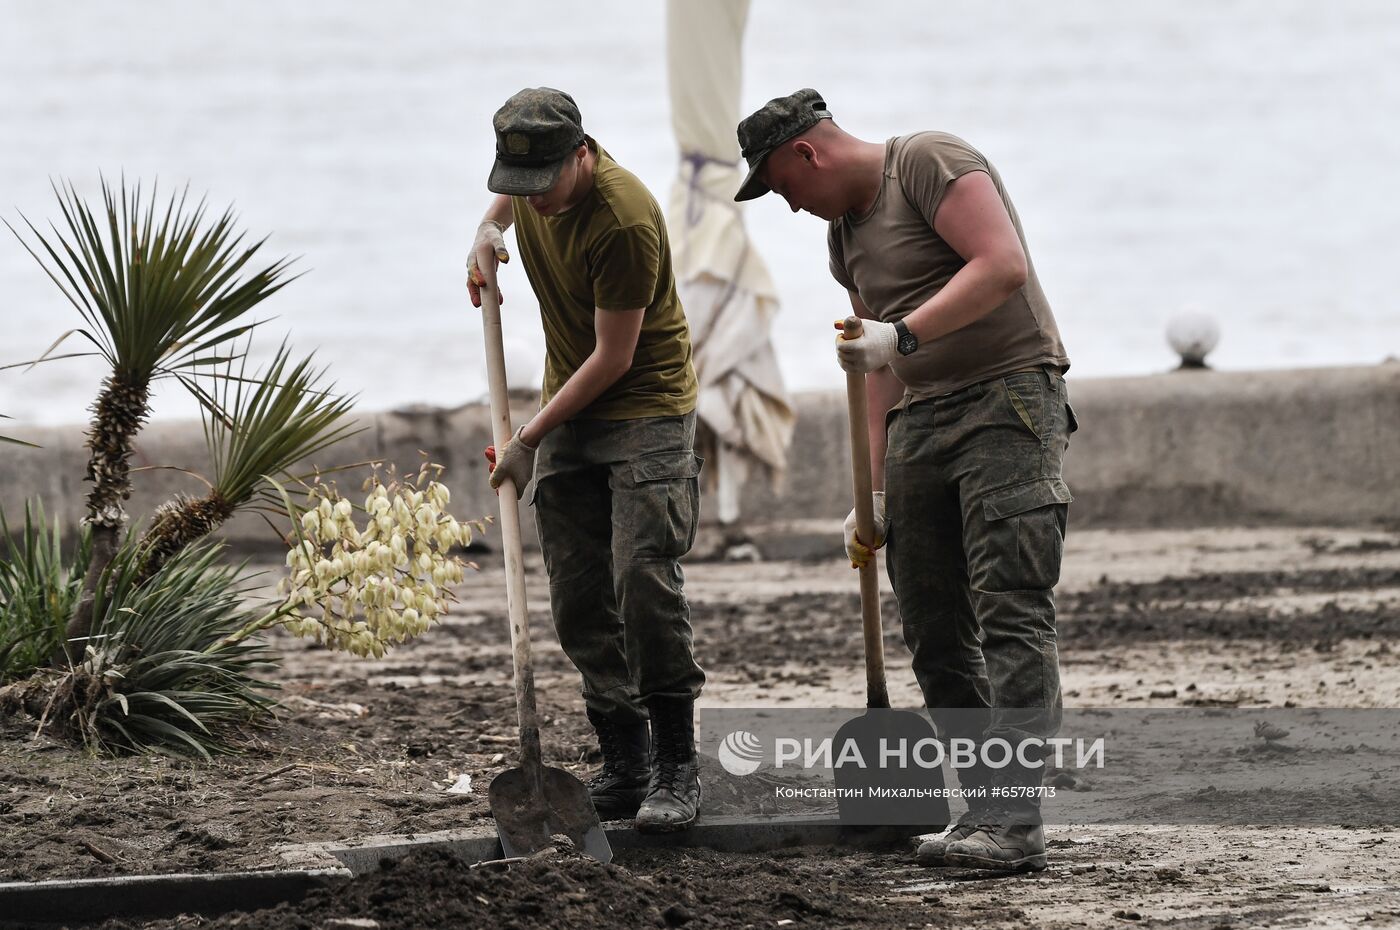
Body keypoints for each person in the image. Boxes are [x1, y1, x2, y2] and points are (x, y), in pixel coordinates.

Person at [734, 89, 1075, 872]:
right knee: (933, 625)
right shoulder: (842, 239)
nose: (790, 206)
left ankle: (1014, 820)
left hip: (1009, 399)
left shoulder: (927, 161)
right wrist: (872, 493)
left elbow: (1002, 265)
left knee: (1010, 607)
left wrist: (903, 334)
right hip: (921, 418)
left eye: (783, 187)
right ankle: (982, 810)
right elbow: (875, 367)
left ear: (807, 153)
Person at [467, 87, 705, 833]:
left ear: (582, 153)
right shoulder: (529, 184)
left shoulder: (621, 218)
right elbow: (510, 199)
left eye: (544, 183)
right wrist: (486, 229)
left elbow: (613, 357)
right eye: (518, 184)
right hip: (569, 406)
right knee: (576, 596)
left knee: (640, 579)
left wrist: (529, 439)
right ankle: (625, 761)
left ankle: (675, 763)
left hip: (644, 408)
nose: (532, 199)